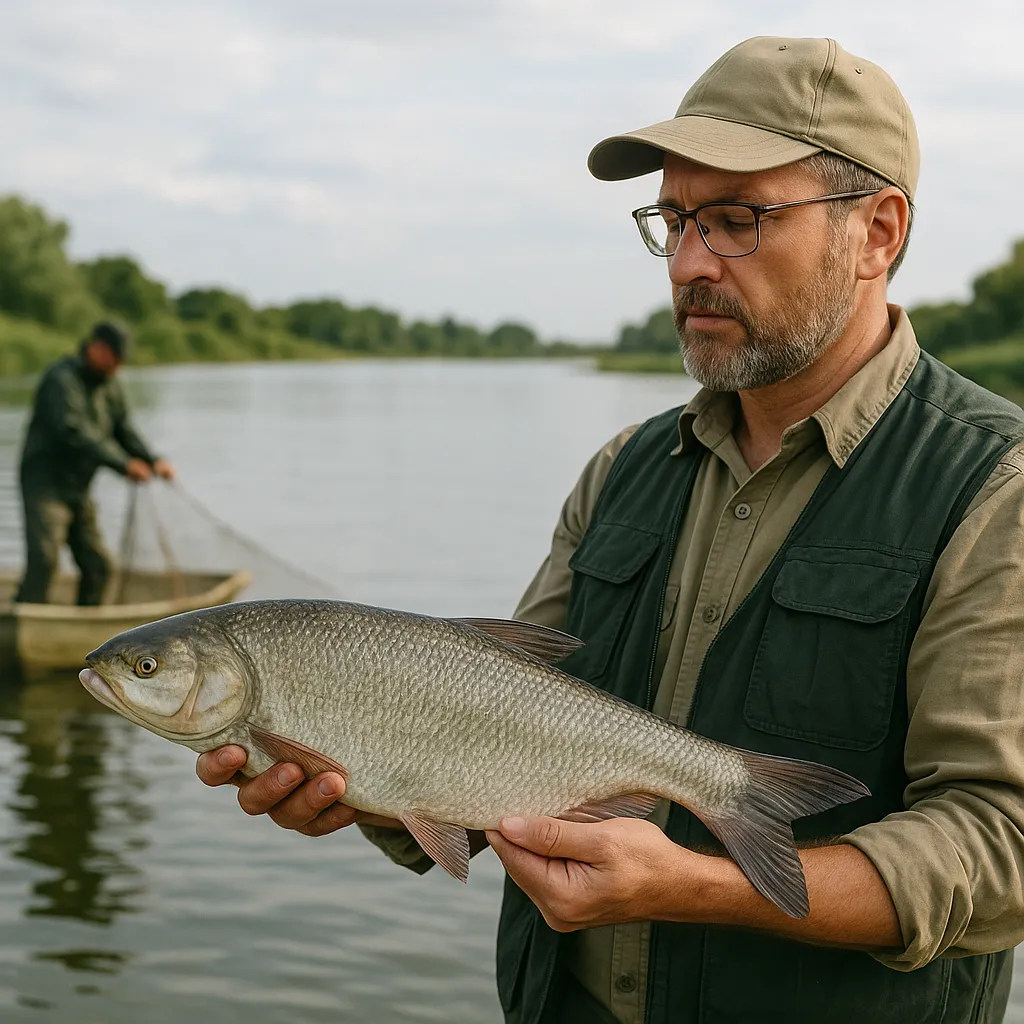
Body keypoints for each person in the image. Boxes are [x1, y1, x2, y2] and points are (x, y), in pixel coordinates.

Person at [195, 36, 1024, 1024]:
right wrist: (363, 779)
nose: (686, 264)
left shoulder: (992, 484)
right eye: (672, 220)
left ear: (876, 232)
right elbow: (486, 735)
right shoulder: (622, 469)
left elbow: (1000, 844)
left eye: (735, 220)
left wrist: (698, 884)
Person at [16, 320, 175, 606]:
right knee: (45, 561)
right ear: (98, 349)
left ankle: (88, 635)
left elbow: (123, 430)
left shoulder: (109, 386)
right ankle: (24, 625)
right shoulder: (61, 380)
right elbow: (73, 431)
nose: (117, 368)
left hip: (78, 488)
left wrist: (152, 460)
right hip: (46, 486)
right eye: (116, 359)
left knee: (99, 566)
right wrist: (123, 464)